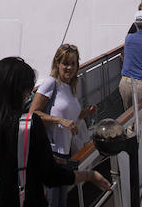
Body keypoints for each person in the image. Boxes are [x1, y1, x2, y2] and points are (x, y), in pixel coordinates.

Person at [0, 57, 110, 207]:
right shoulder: (28, 126)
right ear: (18, 91)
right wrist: (89, 175)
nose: (28, 96)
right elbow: (51, 176)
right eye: (28, 91)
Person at [29, 45, 97, 207]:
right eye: (66, 63)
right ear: (57, 63)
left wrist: (86, 112)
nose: (70, 68)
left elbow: (69, 117)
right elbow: (33, 113)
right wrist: (60, 121)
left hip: (65, 154)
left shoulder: (71, 87)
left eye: (73, 63)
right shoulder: (50, 83)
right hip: (50, 152)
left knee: (61, 202)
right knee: (51, 201)